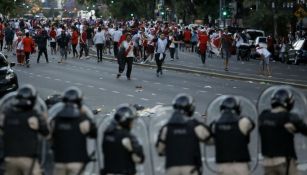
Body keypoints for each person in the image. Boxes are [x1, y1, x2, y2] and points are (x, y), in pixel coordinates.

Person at [156, 94, 211, 175]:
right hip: (190, 168)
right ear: (190, 109)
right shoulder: (194, 125)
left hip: (172, 169)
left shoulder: (166, 128)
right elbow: (209, 139)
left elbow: (160, 150)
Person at [0, 84, 49, 175]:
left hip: (9, 158)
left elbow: (2, 129)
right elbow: (46, 132)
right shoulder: (35, 115)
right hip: (28, 159)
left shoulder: (8, 113)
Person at [49, 86, 97, 175]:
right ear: (79, 102)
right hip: (77, 162)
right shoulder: (83, 120)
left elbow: (49, 137)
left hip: (59, 161)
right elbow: (94, 134)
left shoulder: (56, 119)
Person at [258, 88, 307, 175]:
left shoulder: (263, 116)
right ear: (289, 103)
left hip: (267, 164)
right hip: (284, 163)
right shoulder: (289, 117)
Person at [210, 97, 255, 175]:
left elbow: (209, 137)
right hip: (240, 165)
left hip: (223, 166)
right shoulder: (243, 122)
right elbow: (252, 125)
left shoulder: (215, 124)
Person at [102, 104, 145, 175]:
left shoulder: (107, 134)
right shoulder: (128, 137)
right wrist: (131, 149)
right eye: (131, 121)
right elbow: (139, 159)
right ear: (126, 121)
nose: (132, 124)